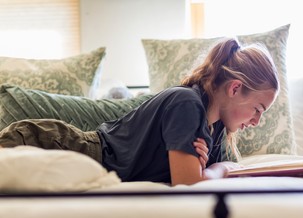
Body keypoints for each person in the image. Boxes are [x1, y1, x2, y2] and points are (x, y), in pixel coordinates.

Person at [0, 38, 279, 186]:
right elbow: (188, 183)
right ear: (234, 88)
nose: (256, 121)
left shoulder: (215, 131)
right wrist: (220, 169)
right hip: (59, 145)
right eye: (257, 109)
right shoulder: (187, 104)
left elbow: (195, 179)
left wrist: (210, 168)